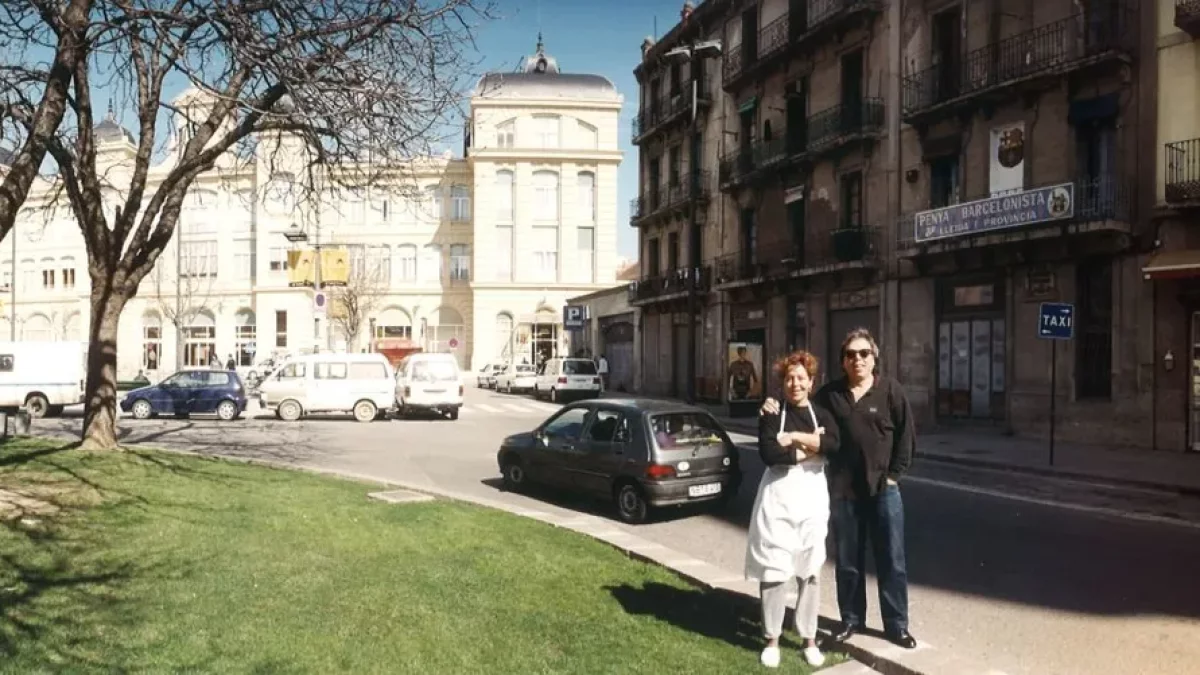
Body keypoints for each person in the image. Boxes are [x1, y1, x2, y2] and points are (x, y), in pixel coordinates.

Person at [761, 328, 917, 649]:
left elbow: (906, 438)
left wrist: (893, 476)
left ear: (874, 359)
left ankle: (896, 625)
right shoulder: (830, 395)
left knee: (892, 561)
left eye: (863, 354)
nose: (857, 359)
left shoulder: (891, 391)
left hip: (883, 491)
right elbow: (798, 404)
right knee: (848, 561)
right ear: (843, 362)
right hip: (844, 491)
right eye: (850, 355)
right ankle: (851, 620)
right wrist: (771, 405)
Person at [746, 350, 839, 668]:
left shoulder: (822, 414)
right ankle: (771, 639)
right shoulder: (771, 413)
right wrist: (810, 449)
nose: (795, 383)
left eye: (801, 377)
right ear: (782, 383)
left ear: (811, 382)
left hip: (812, 498)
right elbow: (770, 453)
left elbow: (834, 444)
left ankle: (808, 638)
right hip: (778, 496)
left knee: (810, 568)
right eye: (789, 378)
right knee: (774, 568)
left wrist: (795, 438)